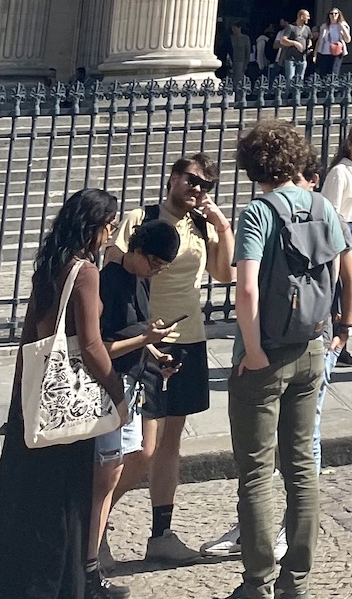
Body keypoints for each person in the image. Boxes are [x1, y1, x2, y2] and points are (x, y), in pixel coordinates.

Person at [226, 121, 352, 599]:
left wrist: (254, 349)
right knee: (301, 468)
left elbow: (247, 287)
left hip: (267, 356)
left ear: (252, 165)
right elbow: (345, 271)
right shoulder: (322, 206)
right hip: (312, 347)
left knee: (257, 472)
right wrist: (341, 327)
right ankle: (296, 581)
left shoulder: (258, 213)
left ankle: (257, 583)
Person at [0, 189, 126, 599]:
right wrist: (117, 390)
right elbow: (90, 345)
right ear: (95, 226)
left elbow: (29, 337)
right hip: (68, 406)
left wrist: (21, 400)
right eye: (109, 224)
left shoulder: (50, 264)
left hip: (37, 401)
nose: (111, 233)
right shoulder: (85, 271)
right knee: (66, 505)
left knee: (29, 501)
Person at [109, 154, 234, 564]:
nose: (197, 190)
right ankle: (92, 523)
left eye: (205, 185)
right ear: (173, 178)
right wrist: (139, 335)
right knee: (141, 449)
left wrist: (222, 226)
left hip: (188, 340)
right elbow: (115, 266)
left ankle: (161, 534)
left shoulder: (201, 226)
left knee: (171, 443)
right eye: (192, 180)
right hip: (144, 340)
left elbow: (224, 274)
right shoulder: (141, 217)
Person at [92, 216, 180, 589]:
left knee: (144, 452)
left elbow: (139, 330)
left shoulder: (141, 279)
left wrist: (157, 352)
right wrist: (147, 340)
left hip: (139, 376)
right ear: (138, 250)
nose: (157, 271)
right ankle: (94, 542)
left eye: (163, 266)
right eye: (155, 263)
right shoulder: (109, 280)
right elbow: (101, 346)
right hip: (112, 382)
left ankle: (97, 524)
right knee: (109, 469)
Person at [320, 123, 352, 363]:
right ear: (349, 144)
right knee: (338, 289)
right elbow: (331, 209)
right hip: (342, 230)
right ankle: (334, 340)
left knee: (348, 287)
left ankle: (343, 342)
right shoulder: (340, 172)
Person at [274, 10, 312, 84]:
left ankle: (297, 95)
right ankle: (289, 95)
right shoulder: (291, 27)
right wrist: (295, 43)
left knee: (300, 80)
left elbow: (309, 39)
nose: (309, 18)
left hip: (302, 58)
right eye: (307, 16)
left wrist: (309, 46)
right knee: (290, 80)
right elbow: (283, 40)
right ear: (301, 16)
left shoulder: (307, 29)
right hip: (291, 58)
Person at [312, 7, 349, 77]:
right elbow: (319, 41)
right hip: (324, 52)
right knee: (323, 73)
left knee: (334, 73)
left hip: (337, 53)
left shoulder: (343, 25)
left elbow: (348, 40)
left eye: (336, 13)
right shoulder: (324, 26)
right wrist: (315, 54)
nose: (333, 15)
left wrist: (342, 27)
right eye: (331, 14)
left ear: (339, 15)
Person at [224, 21, 252, 86]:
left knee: (238, 80)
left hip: (240, 62)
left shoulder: (245, 38)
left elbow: (247, 52)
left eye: (234, 28)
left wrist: (245, 64)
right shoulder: (230, 38)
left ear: (239, 28)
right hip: (231, 61)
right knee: (229, 79)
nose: (233, 30)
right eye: (232, 28)